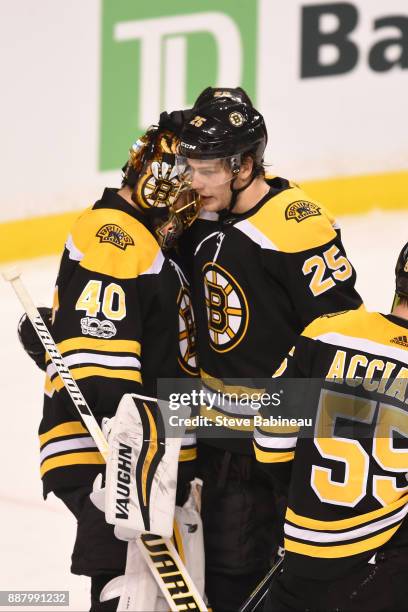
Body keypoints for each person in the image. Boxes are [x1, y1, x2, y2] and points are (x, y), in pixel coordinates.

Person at [177, 88, 363, 610]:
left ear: (246, 165)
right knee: (217, 576)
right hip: (213, 435)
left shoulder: (294, 223)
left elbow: (339, 331)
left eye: (208, 168)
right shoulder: (199, 215)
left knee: (253, 580)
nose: (194, 180)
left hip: (277, 443)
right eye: (189, 166)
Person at [18, 122, 200, 611]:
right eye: (188, 181)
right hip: (108, 454)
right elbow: (103, 371)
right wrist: (130, 468)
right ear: (159, 180)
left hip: (130, 449)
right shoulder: (115, 232)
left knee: (140, 586)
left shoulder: (142, 236)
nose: (194, 194)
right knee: (127, 589)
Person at [254, 242, 408, 611]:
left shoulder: (327, 332)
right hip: (386, 571)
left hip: (303, 555)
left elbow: (269, 443)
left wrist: (310, 504)